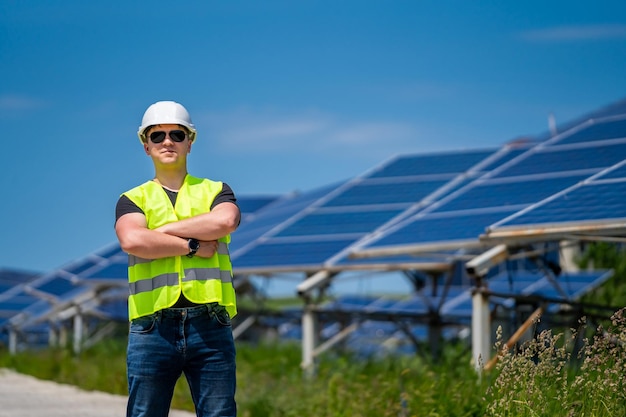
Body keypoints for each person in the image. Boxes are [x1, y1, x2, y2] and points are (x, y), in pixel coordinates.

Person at [114, 100, 240, 417]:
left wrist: (162, 233)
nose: (167, 141)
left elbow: (225, 222)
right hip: (151, 328)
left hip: (210, 323)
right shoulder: (132, 198)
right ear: (146, 146)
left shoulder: (215, 190)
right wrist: (192, 245)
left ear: (190, 142)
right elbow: (132, 240)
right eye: (157, 136)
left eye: (177, 134)